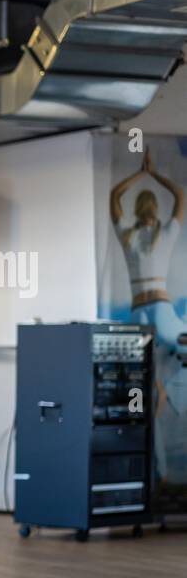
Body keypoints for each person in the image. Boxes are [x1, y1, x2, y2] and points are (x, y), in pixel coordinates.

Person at [111, 149, 187, 492]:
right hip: (158, 310)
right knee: (151, 392)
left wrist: (139, 174)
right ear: (154, 209)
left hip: (139, 315)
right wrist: (154, 174)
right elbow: (180, 196)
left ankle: (160, 470)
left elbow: (114, 196)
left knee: (146, 390)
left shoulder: (128, 235)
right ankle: (162, 471)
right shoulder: (166, 232)